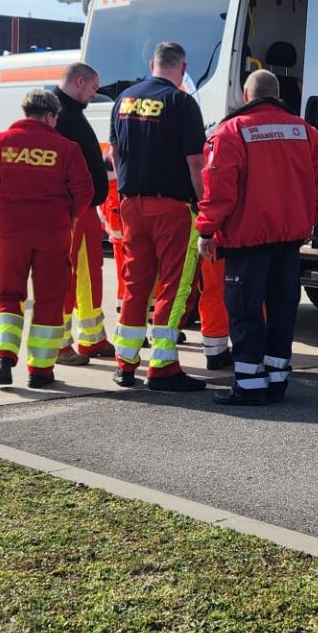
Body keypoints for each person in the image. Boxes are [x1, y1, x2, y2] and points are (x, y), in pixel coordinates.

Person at [195, 70, 318, 406]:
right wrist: (306, 222)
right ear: (277, 94)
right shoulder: (306, 132)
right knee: (282, 312)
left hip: (247, 242)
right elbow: (317, 189)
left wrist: (206, 230)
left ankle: (250, 387)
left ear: (246, 93)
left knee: (245, 312)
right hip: (289, 240)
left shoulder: (231, 132)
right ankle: (277, 382)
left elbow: (220, 189)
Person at [0, 89, 92, 388]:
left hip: (9, 232)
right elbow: (84, 190)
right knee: (50, 299)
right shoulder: (67, 148)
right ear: (50, 116)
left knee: (8, 296)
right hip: (53, 232)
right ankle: (40, 370)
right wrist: (72, 218)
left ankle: (3, 357)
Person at [107, 41, 208, 391]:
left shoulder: (124, 99)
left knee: (136, 284)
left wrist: (126, 190)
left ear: (152, 63)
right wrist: (204, 204)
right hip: (172, 208)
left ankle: (125, 363)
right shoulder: (182, 102)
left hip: (132, 204)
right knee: (174, 285)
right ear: (182, 68)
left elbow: (116, 152)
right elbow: (196, 163)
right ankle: (162, 367)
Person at [49, 61, 114, 368]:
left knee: (90, 272)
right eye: (93, 87)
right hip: (68, 210)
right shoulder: (57, 114)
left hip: (85, 209)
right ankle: (60, 345)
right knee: (66, 277)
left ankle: (92, 337)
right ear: (79, 81)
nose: (95, 93)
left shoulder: (71, 113)